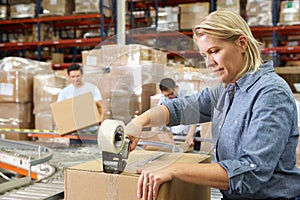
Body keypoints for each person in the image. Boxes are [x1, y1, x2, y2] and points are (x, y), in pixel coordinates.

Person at [124, 10, 300, 199]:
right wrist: (140, 121)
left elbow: (250, 173)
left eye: (214, 51)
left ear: (242, 43)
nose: (209, 62)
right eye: (204, 55)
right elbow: (181, 108)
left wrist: (174, 169)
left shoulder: (270, 93)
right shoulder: (225, 89)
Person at [57, 63, 104, 143]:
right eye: (73, 77)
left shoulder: (92, 89)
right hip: (74, 132)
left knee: (92, 153)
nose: (76, 79)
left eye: (78, 76)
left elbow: (101, 107)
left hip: (91, 131)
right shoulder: (65, 92)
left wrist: (101, 123)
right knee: (76, 154)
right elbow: (60, 111)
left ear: (82, 75)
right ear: (69, 76)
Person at [151, 78, 199, 149]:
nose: (169, 97)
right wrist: (152, 137)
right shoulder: (164, 100)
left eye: (171, 94)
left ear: (175, 87)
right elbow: (158, 119)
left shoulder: (187, 95)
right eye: (166, 95)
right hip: (174, 135)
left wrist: (190, 135)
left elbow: (195, 117)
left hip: (190, 133)